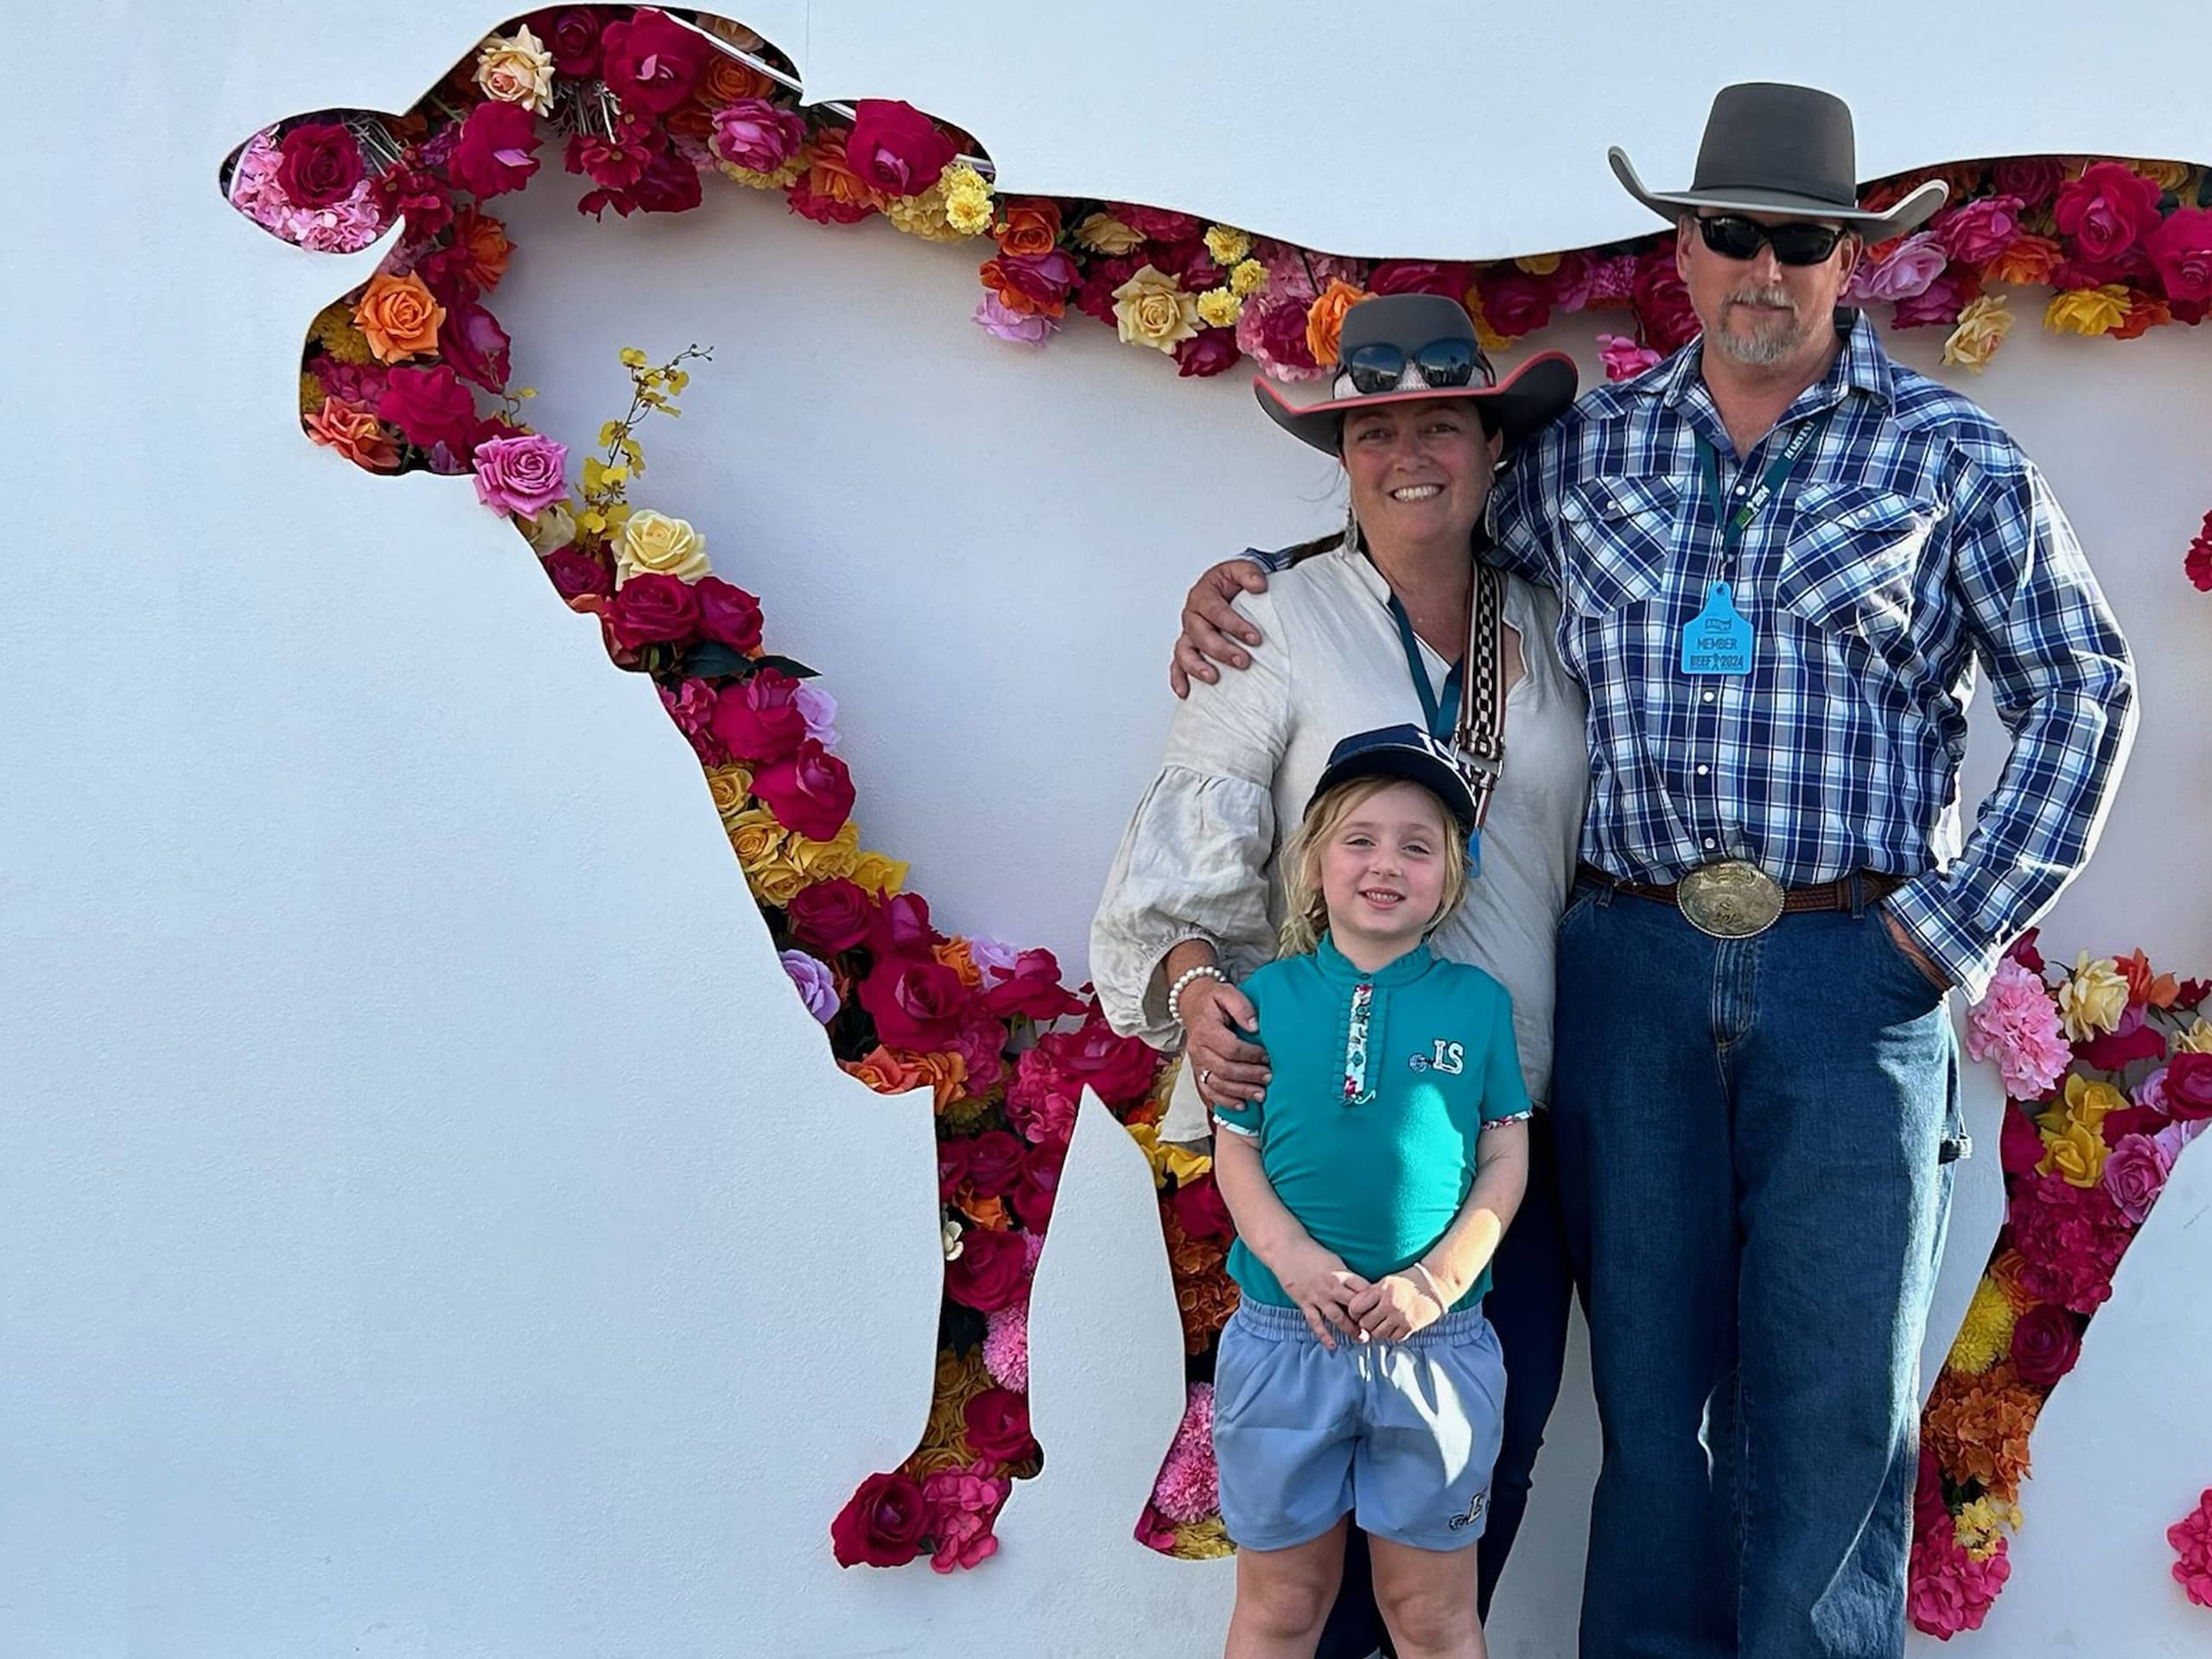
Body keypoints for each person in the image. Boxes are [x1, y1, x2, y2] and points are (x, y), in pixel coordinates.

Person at [1170, 81, 2138, 1659]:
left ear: (1852, 263)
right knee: (1655, 1406)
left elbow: (2082, 691)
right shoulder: (1595, 454)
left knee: (1836, 1402)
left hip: (1854, 974)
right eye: (1733, 233)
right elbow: (1427, 524)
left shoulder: (1955, 460)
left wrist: (1939, 942)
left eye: (1802, 242)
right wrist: (1261, 577)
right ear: (1683, 250)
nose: (1765, 269)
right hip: (1630, 970)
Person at [1090, 291, 1587, 1650]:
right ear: (1341, 451)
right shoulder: (1271, 619)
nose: (1408, 453)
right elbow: (1188, 847)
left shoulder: (1554, 624)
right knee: (1303, 1534)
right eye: (1376, 429)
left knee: (1484, 1469)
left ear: (1493, 447)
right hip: (1318, 1131)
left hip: (1503, 1123)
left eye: (1442, 423)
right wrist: (1199, 996)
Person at [1206, 725, 1533, 1659]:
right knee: (1281, 1608)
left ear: (1451, 877)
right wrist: (1297, 1264)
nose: (1385, 863)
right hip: (1283, 1340)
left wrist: (1434, 1284)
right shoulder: (1263, 998)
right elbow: (1237, 1155)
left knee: (1430, 1617)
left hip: (1436, 1346)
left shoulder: (1477, 1006)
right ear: (1312, 863)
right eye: (1359, 839)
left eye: (1416, 845)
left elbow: (1504, 1160)